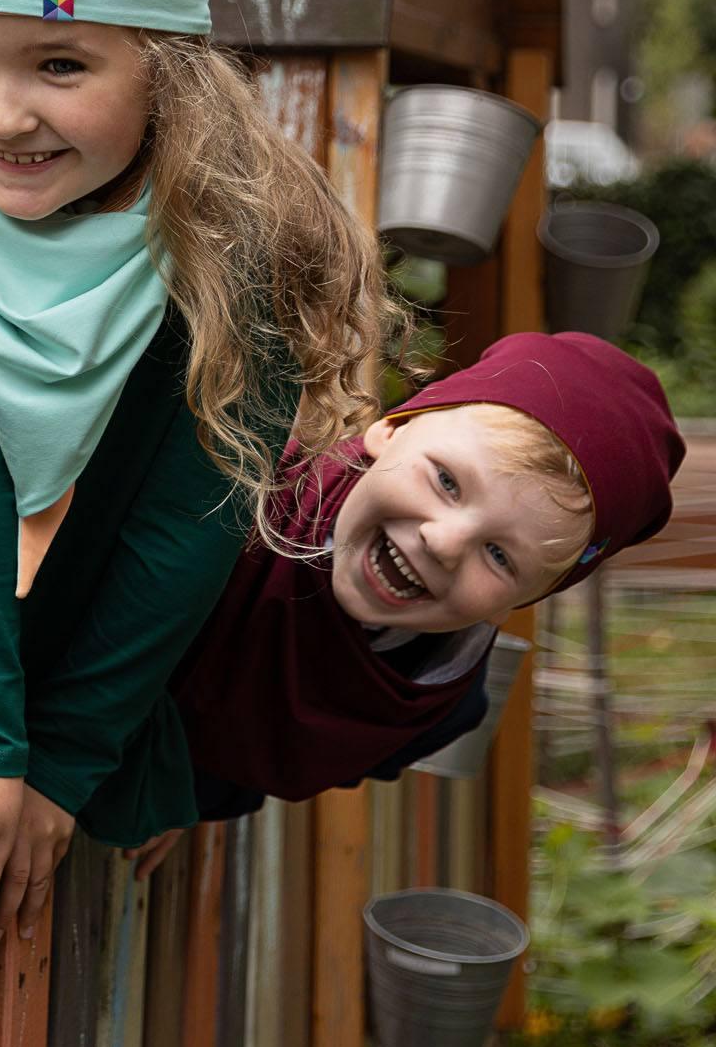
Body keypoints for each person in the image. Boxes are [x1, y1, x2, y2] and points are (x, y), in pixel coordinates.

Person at [0, 0, 401, 941]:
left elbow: (184, 525)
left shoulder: (230, 247)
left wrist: (57, 761)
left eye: (59, 65)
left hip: (79, 694)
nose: (2, 114)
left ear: (163, 70)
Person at [151, 330, 684, 845]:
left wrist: (184, 797)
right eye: (447, 481)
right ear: (393, 427)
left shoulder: (439, 703)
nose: (445, 543)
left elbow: (258, 771)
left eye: (499, 556)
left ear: (523, 601)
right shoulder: (229, 493)